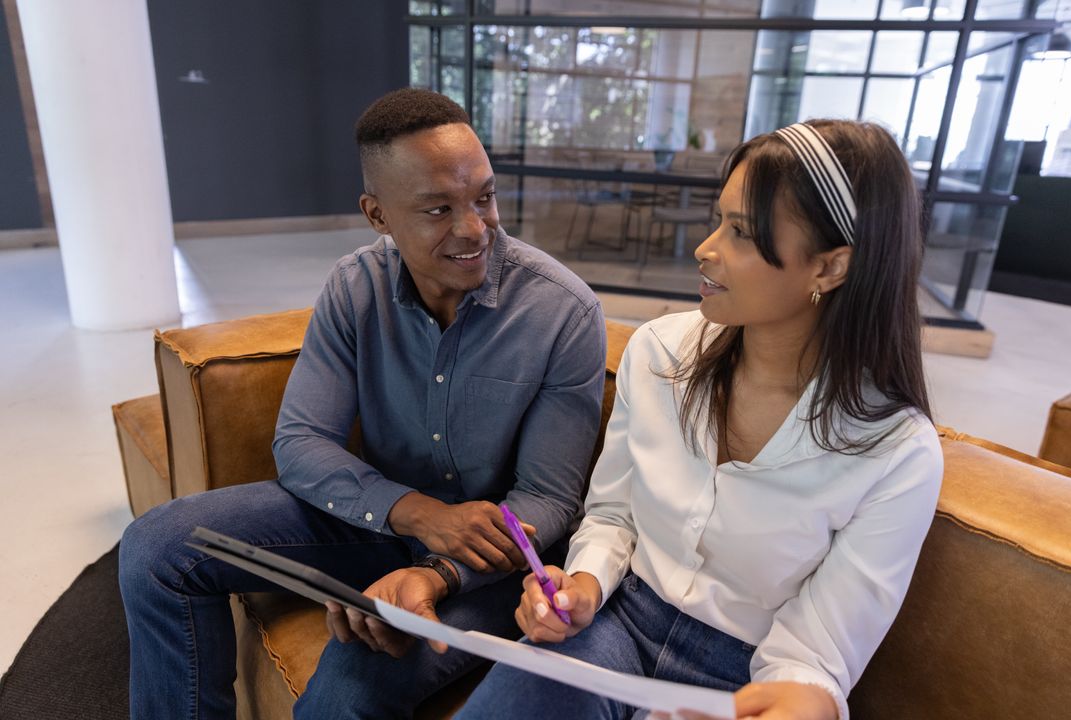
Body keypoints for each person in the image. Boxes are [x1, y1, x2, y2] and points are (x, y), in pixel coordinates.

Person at [118, 87, 607, 720]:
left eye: (483, 197)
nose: (474, 228)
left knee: (351, 681)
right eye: (437, 209)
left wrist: (438, 570)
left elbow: (550, 498)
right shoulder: (355, 286)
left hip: (488, 563)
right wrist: (415, 512)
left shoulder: (563, 313)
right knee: (158, 548)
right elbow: (300, 442)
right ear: (377, 215)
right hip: (375, 522)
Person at [456, 119, 944, 720]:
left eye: (740, 232)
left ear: (828, 268)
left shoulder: (897, 452)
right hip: (618, 623)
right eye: (720, 219)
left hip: (743, 678)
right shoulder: (661, 353)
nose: (705, 248)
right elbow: (613, 513)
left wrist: (801, 704)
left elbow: (816, 654)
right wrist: (583, 584)